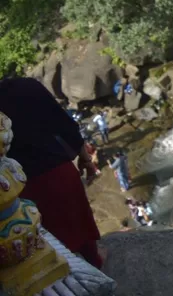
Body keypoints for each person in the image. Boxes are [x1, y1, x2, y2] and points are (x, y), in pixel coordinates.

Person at [0, 77, 103, 267]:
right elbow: (64, 123)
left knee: (51, 249)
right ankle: (95, 262)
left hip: (18, 191)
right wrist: (86, 159)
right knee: (83, 235)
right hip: (58, 173)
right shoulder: (27, 86)